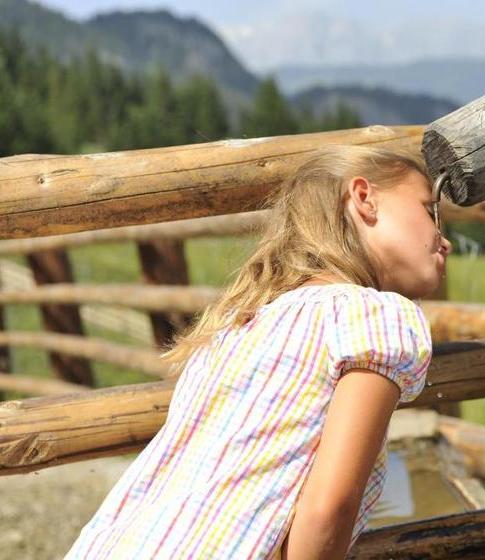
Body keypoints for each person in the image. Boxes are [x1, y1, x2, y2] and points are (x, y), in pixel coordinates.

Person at [64, 144, 453, 560]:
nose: (444, 239)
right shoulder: (375, 316)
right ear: (364, 198)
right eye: (430, 209)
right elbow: (329, 508)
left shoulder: (242, 324)